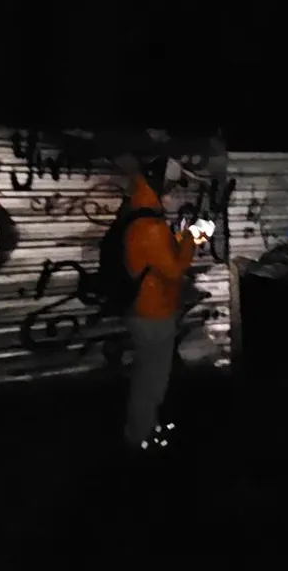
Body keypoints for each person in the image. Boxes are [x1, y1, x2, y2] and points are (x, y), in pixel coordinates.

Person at [121, 155, 211, 452]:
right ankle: (140, 439)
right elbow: (173, 269)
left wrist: (188, 236)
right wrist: (193, 237)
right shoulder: (150, 226)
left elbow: (162, 257)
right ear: (159, 185)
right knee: (152, 380)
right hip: (153, 312)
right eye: (170, 185)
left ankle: (146, 429)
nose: (172, 192)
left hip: (148, 309)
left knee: (148, 377)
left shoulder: (142, 214)